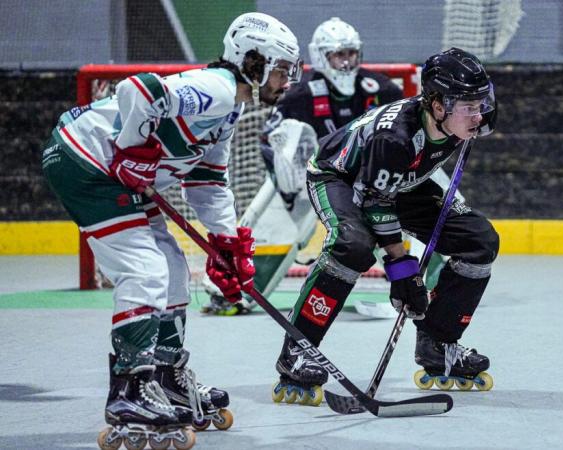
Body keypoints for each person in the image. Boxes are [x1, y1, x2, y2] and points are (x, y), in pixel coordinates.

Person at [42, 12, 301, 445]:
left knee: (173, 268)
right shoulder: (214, 88)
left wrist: (226, 243)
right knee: (145, 269)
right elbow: (138, 89)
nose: (286, 81)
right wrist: (133, 146)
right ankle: (130, 388)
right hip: (83, 160)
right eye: (280, 70)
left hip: (111, 170)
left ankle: (166, 375)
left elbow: (207, 180)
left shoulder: (229, 109)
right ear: (253, 62)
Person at [271, 48, 499, 406]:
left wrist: (476, 111)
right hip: (340, 178)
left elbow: (392, 188)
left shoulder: (466, 118)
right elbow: (375, 201)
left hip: (400, 181)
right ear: (438, 107)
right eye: (469, 106)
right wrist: (403, 270)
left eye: (481, 102)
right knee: (354, 245)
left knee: (479, 240)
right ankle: (297, 351)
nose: (479, 113)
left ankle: (438, 345)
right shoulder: (395, 137)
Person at [202, 17, 404, 315]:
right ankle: (232, 289)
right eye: (338, 54)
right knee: (279, 203)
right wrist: (284, 180)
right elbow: (271, 141)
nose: (346, 62)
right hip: (318, 181)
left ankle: (429, 282)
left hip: (374, 180)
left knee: (432, 189)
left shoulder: (381, 89)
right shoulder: (300, 93)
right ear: (322, 56)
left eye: (350, 53)